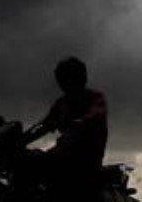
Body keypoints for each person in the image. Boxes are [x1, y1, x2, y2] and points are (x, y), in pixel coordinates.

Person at [31, 57, 108, 200]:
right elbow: (45, 125)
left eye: (68, 77)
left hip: (84, 159)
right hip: (62, 154)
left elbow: (97, 111)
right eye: (61, 78)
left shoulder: (95, 97)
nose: (63, 82)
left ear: (81, 77)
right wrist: (23, 137)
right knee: (29, 160)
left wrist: (82, 121)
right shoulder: (61, 103)